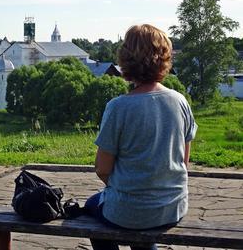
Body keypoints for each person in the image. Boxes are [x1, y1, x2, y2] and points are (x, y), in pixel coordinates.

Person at [84, 24, 197, 250]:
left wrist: (124, 189)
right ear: (165, 58)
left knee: (91, 210)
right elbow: (183, 162)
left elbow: (102, 169)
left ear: (126, 59)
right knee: (142, 229)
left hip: (127, 211)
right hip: (172, 208)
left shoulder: (118, 107)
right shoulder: (180, 101)